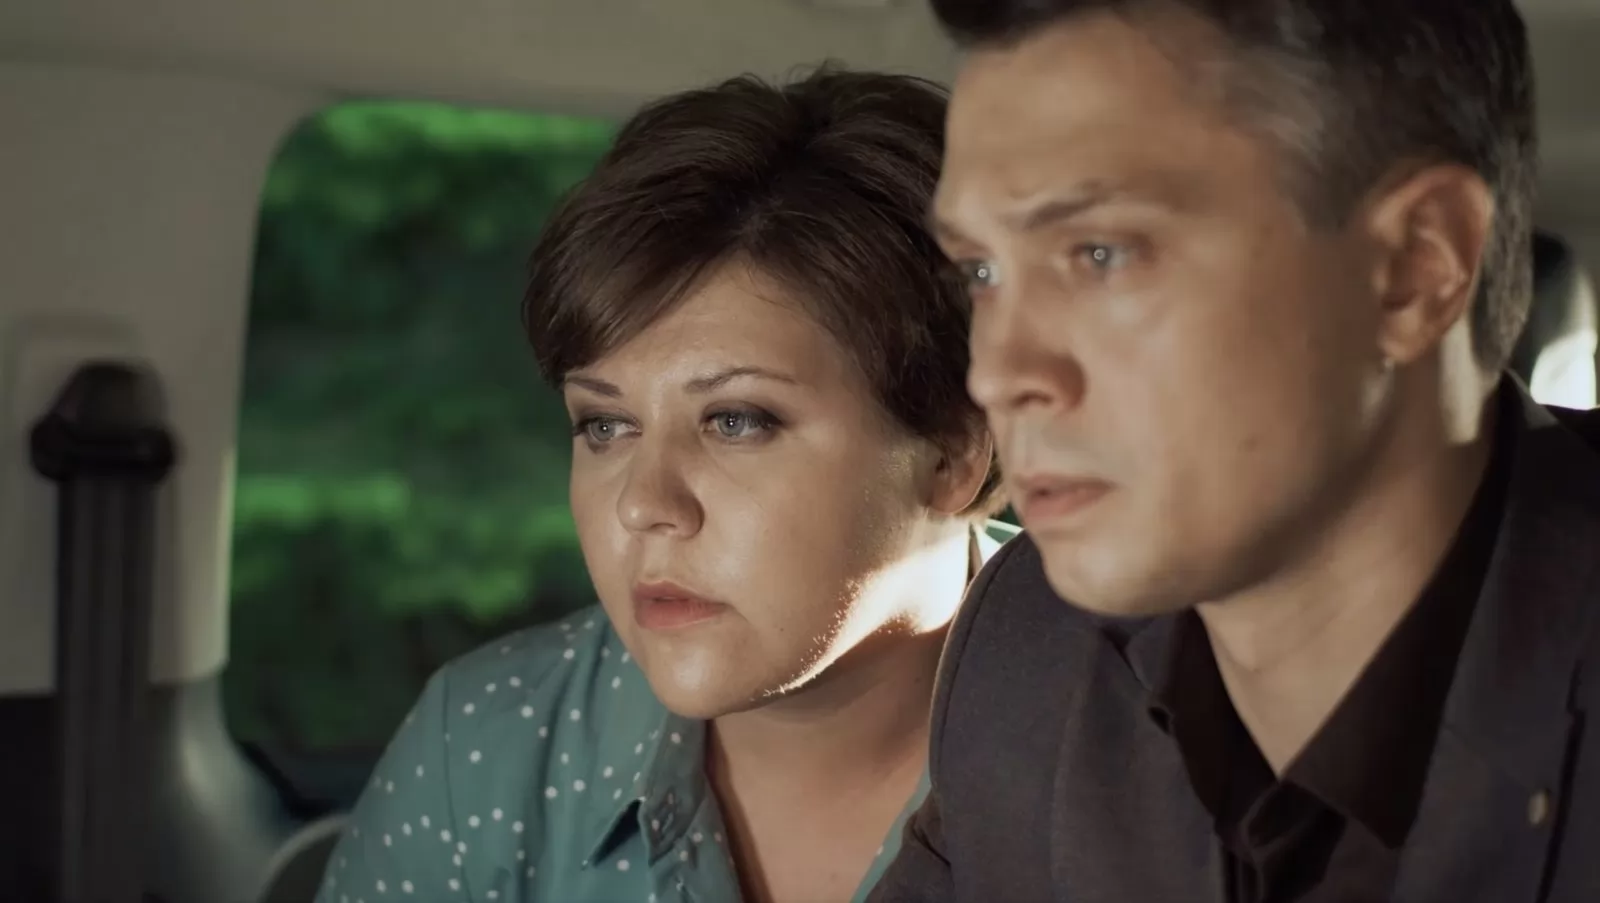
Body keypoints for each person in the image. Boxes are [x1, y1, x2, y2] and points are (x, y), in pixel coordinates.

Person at [869, 1, 1600, 901]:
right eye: (981, 273)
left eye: (1101, 254)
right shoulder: (1033, 647)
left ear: (1414, 267)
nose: (999, 372)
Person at [317, 68, 1015, 903]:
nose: (642, 504)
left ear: (954, 452)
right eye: (604, 426)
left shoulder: (1135, 741)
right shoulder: (484, 750)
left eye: (736, 421)